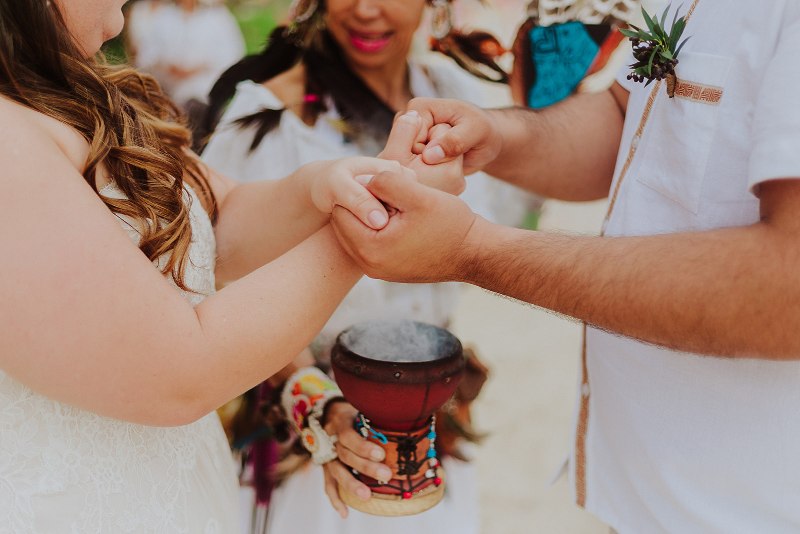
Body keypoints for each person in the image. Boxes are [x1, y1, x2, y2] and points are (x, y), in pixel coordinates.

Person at [331, 0, 800, 532]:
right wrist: (496, 136)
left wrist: (471, 250)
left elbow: (789, 285)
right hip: (641, 500)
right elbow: (630, 119)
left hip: (751, 510)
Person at [0, 0, 459, 531]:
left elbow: (220, 223)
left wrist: (355, 185)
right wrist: (369, 231)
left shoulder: (74, 89)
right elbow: (174, 373)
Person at [200, 0, 503, 531]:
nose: (366, 10)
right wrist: (322, 409)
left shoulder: (459, 105)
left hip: (432, 428)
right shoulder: (263, 121)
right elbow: (222, 283)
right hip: (310, 444)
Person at [125, 0, 245, 140]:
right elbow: (146, 56)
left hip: (204, 96)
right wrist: (167, 66)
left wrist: (198, 68)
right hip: (170, 97)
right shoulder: (163, 17)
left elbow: (233, 53)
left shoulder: (217, 17)